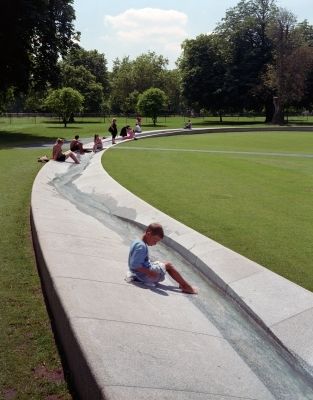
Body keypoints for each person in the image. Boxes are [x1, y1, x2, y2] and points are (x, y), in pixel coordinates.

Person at [127, 223, 197, 294]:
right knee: (168, 266)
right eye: (155, 240)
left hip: (137, 273)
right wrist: (149, 272)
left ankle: (182, 284)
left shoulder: (138, 241)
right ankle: (186, 287)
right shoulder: (141, 247)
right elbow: (134, 265)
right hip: (143, 276)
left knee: (161, 264)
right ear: (148, 234)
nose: (155, 243)